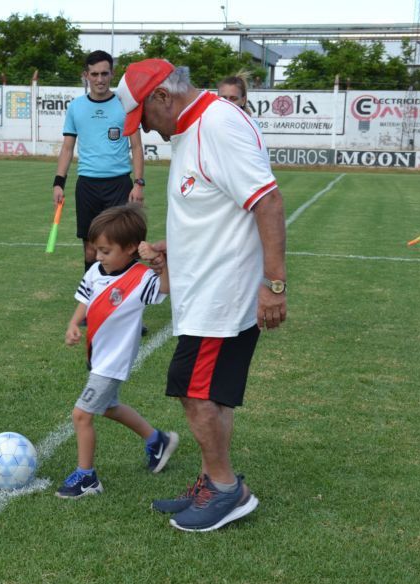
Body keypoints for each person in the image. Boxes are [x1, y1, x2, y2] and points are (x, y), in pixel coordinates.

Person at [116, 59, 288, 532]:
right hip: (208, 288)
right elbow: (219, 206)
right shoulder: (195, 126)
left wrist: (274, 284)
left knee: (193, 391)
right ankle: (215, 482)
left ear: (162, 98)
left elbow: (266, 200)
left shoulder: (216, 124)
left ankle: (226, 488)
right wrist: (179, 247)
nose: (146, 132)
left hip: (221, 296)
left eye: (144, 119)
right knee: (213, 394)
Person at [57, 204, 178, 499]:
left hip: (113, 362)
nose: (98, 257)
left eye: (105, 251)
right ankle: (157, 440)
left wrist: (161, 262)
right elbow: (85, 299)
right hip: (97, 357)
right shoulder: (97, 272)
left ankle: (87, 478)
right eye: (96, 250)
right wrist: (74, 323)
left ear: (130, 249)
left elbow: (165, 287)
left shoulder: (141, 278)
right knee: (109, 407)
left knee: (81, 415)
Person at [52, 50, 146, 275]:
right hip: (87, 186)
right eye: (94, 74)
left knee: (121, 246)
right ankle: (92, 300)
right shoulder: (76, 107)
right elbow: (67, 148)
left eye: (104, 73)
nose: (100, 79)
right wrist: (58, 183)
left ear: (112, 74)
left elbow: (136, 147)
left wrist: (138, 183)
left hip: (119, 185)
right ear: (86, 75)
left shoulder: (126, 105)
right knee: (90, 250)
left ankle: (120, 299)